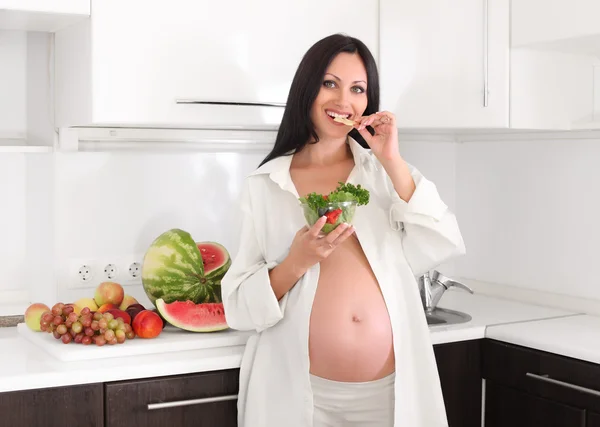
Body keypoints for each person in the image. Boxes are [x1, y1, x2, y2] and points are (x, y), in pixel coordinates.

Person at [221, 33, 466, 427]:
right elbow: (237, 307)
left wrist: (392, 159)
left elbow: (442, 241)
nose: (343, 100)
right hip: (302, 399)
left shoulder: (385, 174)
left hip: (390, 397)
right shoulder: (266, 185)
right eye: (329, 83)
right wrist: (295, 263)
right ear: (307, 89)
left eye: (357, 89)